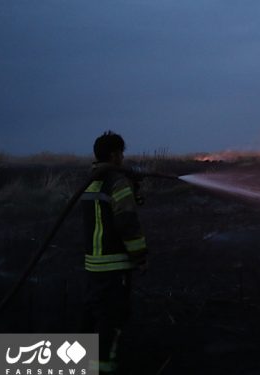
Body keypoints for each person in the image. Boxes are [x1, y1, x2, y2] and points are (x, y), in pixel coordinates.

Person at [80, 131, 148, 374]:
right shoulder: (116, 181)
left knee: (93, 318)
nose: (123, 157)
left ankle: (84, 364)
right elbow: (127, 221)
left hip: (94, 265)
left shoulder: (92, 179)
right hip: (114, 265)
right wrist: (140, 256)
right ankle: (103, 368)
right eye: (121, 153)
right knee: (112, 321)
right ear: (114, 154)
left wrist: (133, 187)